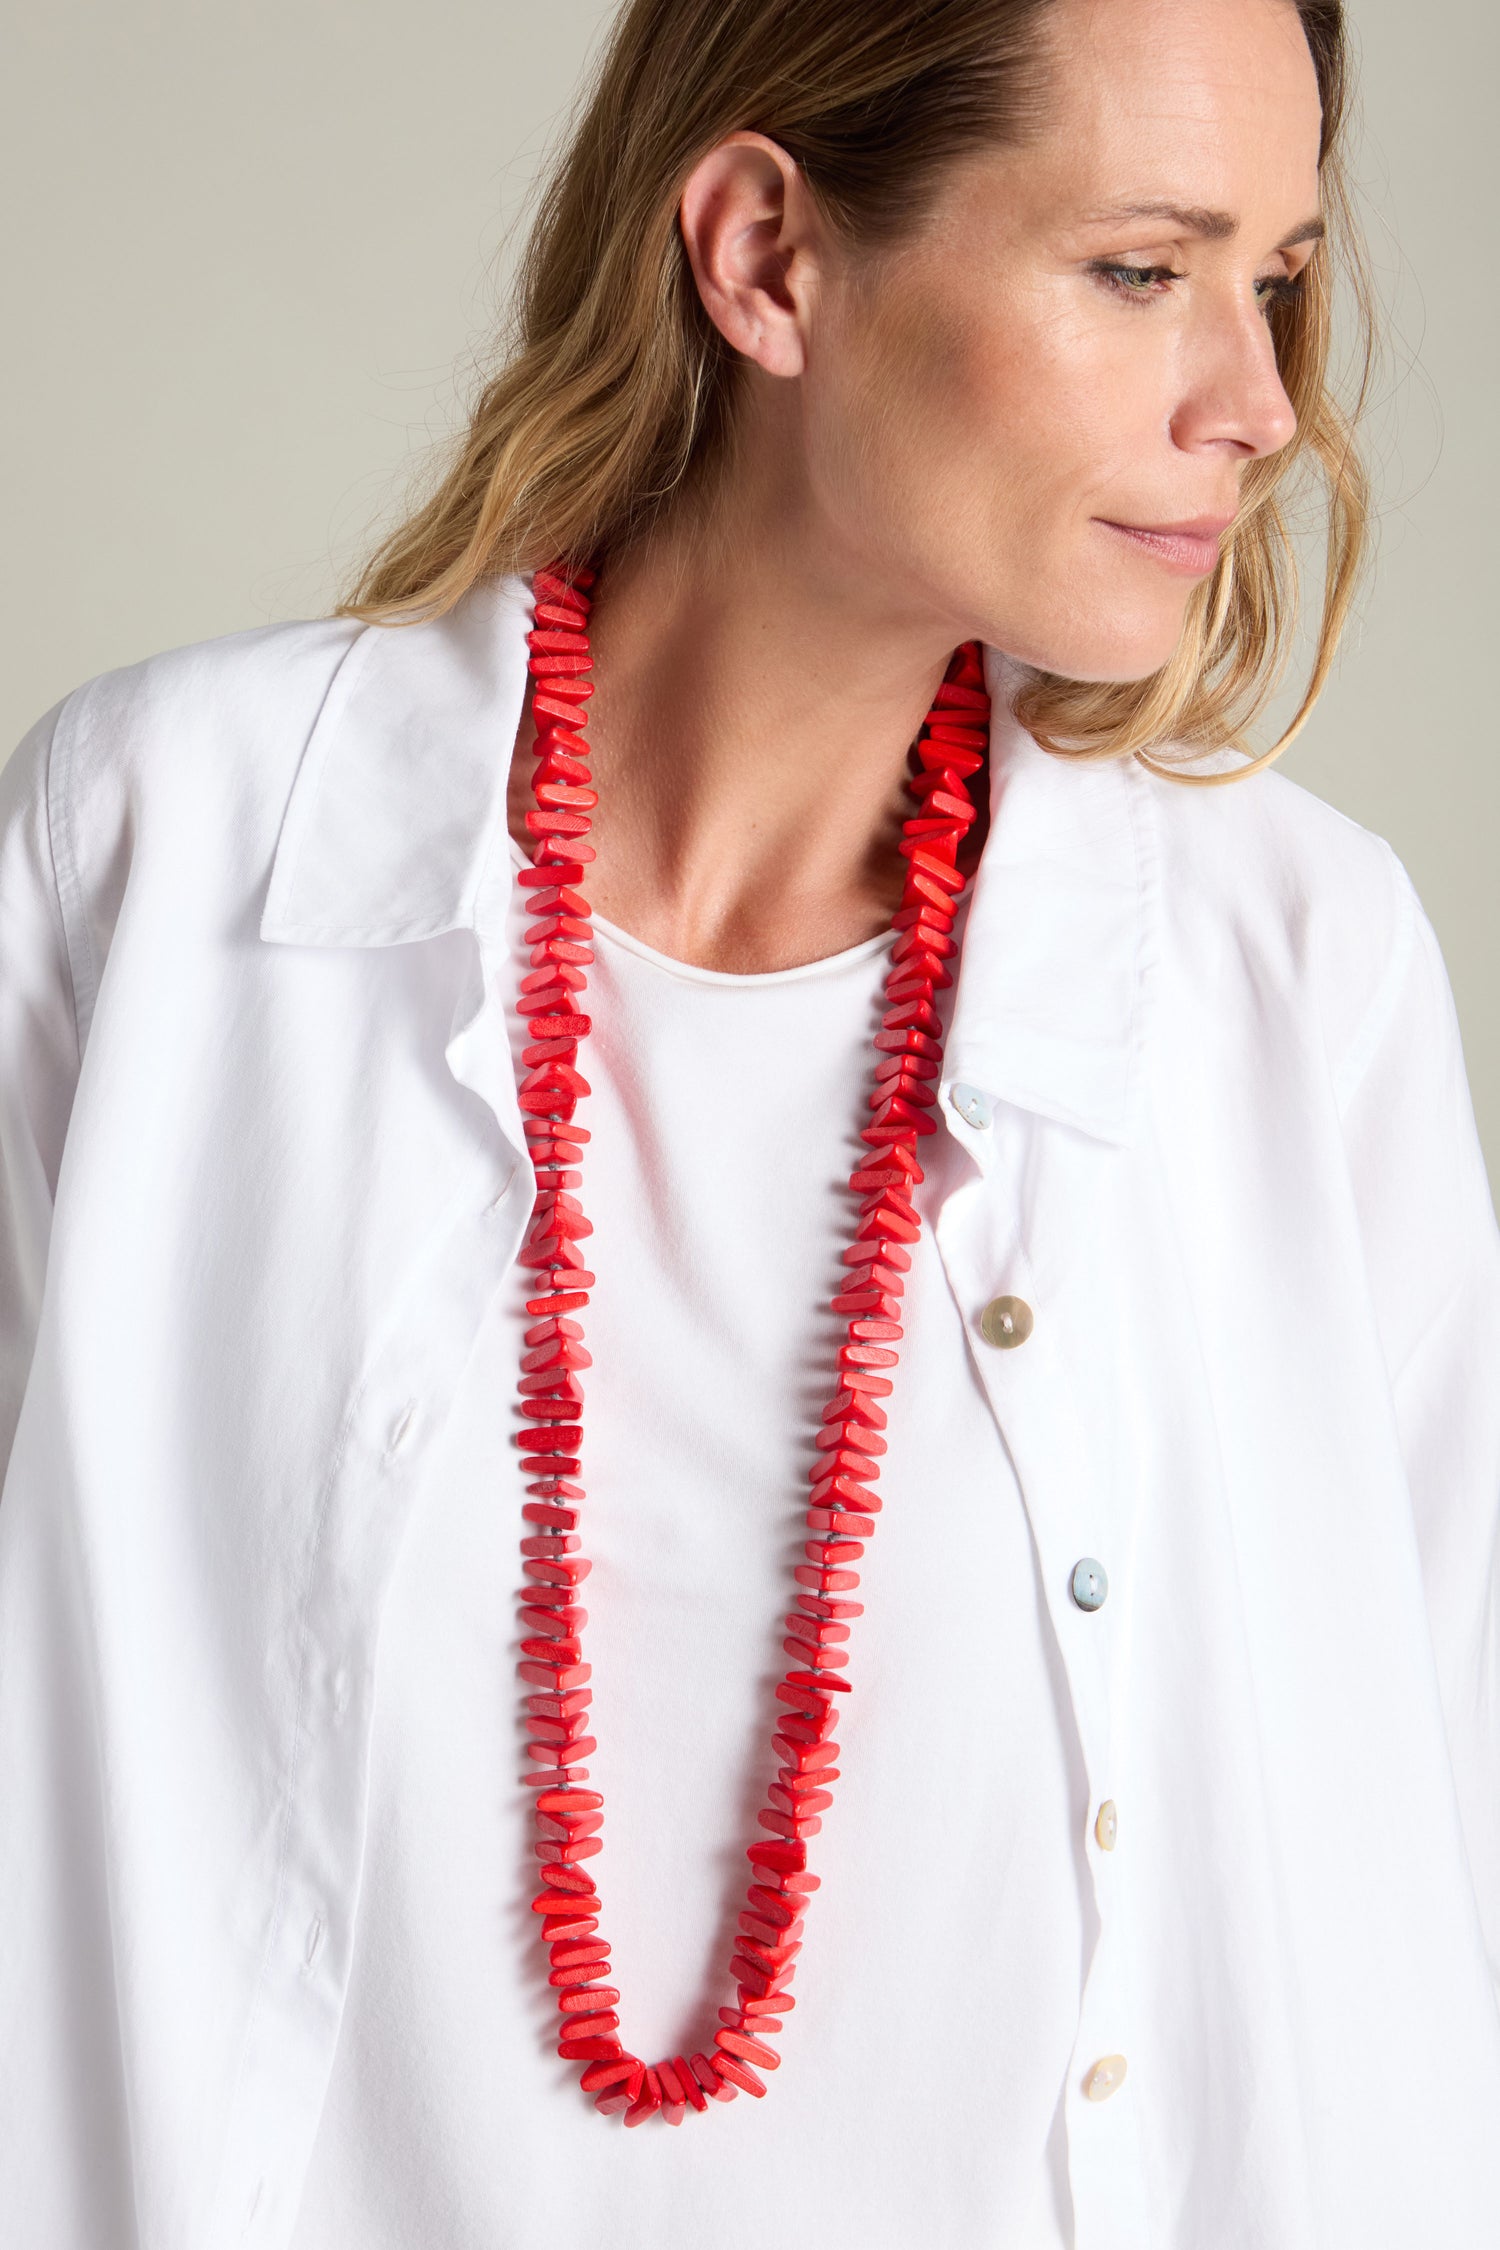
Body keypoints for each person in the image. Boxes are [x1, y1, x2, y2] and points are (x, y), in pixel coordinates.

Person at [1, 0, 1497, 2243]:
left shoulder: (1296, 982)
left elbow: (1425, 1879)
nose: (1259, 403)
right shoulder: (161, 861)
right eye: (1139, 269)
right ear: (768, 256)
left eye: (1273, 274)